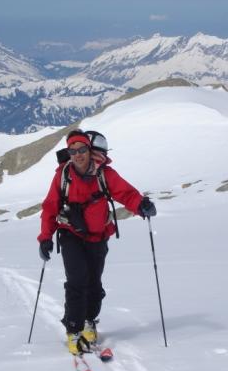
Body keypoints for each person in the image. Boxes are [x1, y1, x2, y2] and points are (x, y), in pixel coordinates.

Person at [37, 129, 156, 355]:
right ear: (69, 153)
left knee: (94, 283)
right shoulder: (63, 176)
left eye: (82, 149)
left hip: (98, 236)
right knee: (77, 281)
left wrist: (141, 206)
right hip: (70, 233)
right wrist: (45, 238)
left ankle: (89, 321)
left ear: (89, 151)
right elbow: (50, 207)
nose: (78, 154)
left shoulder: (105, 174)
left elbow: (126, 194)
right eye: (73, 150)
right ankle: (74, 330)